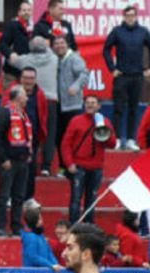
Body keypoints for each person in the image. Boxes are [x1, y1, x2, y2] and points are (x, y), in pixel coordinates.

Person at [103, 5, 150, 151]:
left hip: (137, 75)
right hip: (121, 76)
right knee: (118, 108)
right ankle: (117, 139)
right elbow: (106, 49)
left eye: (132, 15)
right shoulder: (117, 31)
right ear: (123, 17)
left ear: (136, 16)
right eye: (127, 16)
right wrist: (112, 69)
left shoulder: (143, 32)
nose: (130, 18)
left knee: (134, 108)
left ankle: (131, 139)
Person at [61, 94, 115, 224]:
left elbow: (112, 144)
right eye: (88, 102)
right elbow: (65, 144)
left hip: (96, 167)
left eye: (93, 103)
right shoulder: (76, 121)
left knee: (91, 199)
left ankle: (88, 226)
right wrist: (69, 163)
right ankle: (73, 226)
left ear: (99, 106)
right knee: (76, 199)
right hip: (79, 166)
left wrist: (103, 131)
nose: (90, 105)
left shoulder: (105, 121)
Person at [9, 37, 58, 176]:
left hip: (31, 99)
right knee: (49, 134)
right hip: (51, 101)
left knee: (30, 132)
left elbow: (11, 61)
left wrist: (13, 54)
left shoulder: (25, 60)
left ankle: (29, 162)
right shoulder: (54, 59)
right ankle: (46, 166)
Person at [0, 84, 33, 238]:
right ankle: (0, 227)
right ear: (17, 97)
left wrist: (28, 154)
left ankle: (16, 226)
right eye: (25, 95)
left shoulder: (23, 114)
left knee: (19, 196)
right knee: (4, 195)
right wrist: (3, 158)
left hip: (22, 161)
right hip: (9, 161)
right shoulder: (4, 113)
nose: (27, 98)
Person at [55, 35, 88, 171]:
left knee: (74, 137)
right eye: (56, 44)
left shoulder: (74, 58)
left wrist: (75, 86)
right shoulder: (53, 60)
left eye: (62, 43)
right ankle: (63, 166)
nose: (59, 46)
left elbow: (84, 74)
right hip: (58, 105)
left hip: (73, 106)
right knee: (60, 137)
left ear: (67, 44)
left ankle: (76, 165)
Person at [18, 66, 50, 199]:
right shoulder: (12, 92)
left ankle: (29, 197)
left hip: (32, 140)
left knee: (31, 170)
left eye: (31, 78)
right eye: (26, 78)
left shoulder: (40, 94)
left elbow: (43, 115)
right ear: (21, 79)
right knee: (16, 170)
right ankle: (14, 197)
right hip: (16, 139)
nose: (28, 81)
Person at [0, 1, 34, 89]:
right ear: (19, 12)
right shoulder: (12, 25)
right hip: (12, 74)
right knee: (9, 101)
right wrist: (10, 53)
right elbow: (2, 44)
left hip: (28, 74)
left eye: (29, 10)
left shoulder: (34, 28)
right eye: (24, 10)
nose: (26, 12)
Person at [20, 201, 62, 270]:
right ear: (35, 221)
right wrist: (50, 265)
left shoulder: (40, 234)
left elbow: (48, 251)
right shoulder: (30, 237)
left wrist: (55, 263)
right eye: (40, 219)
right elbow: (33, 257)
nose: (42, 221)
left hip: (44, 271)